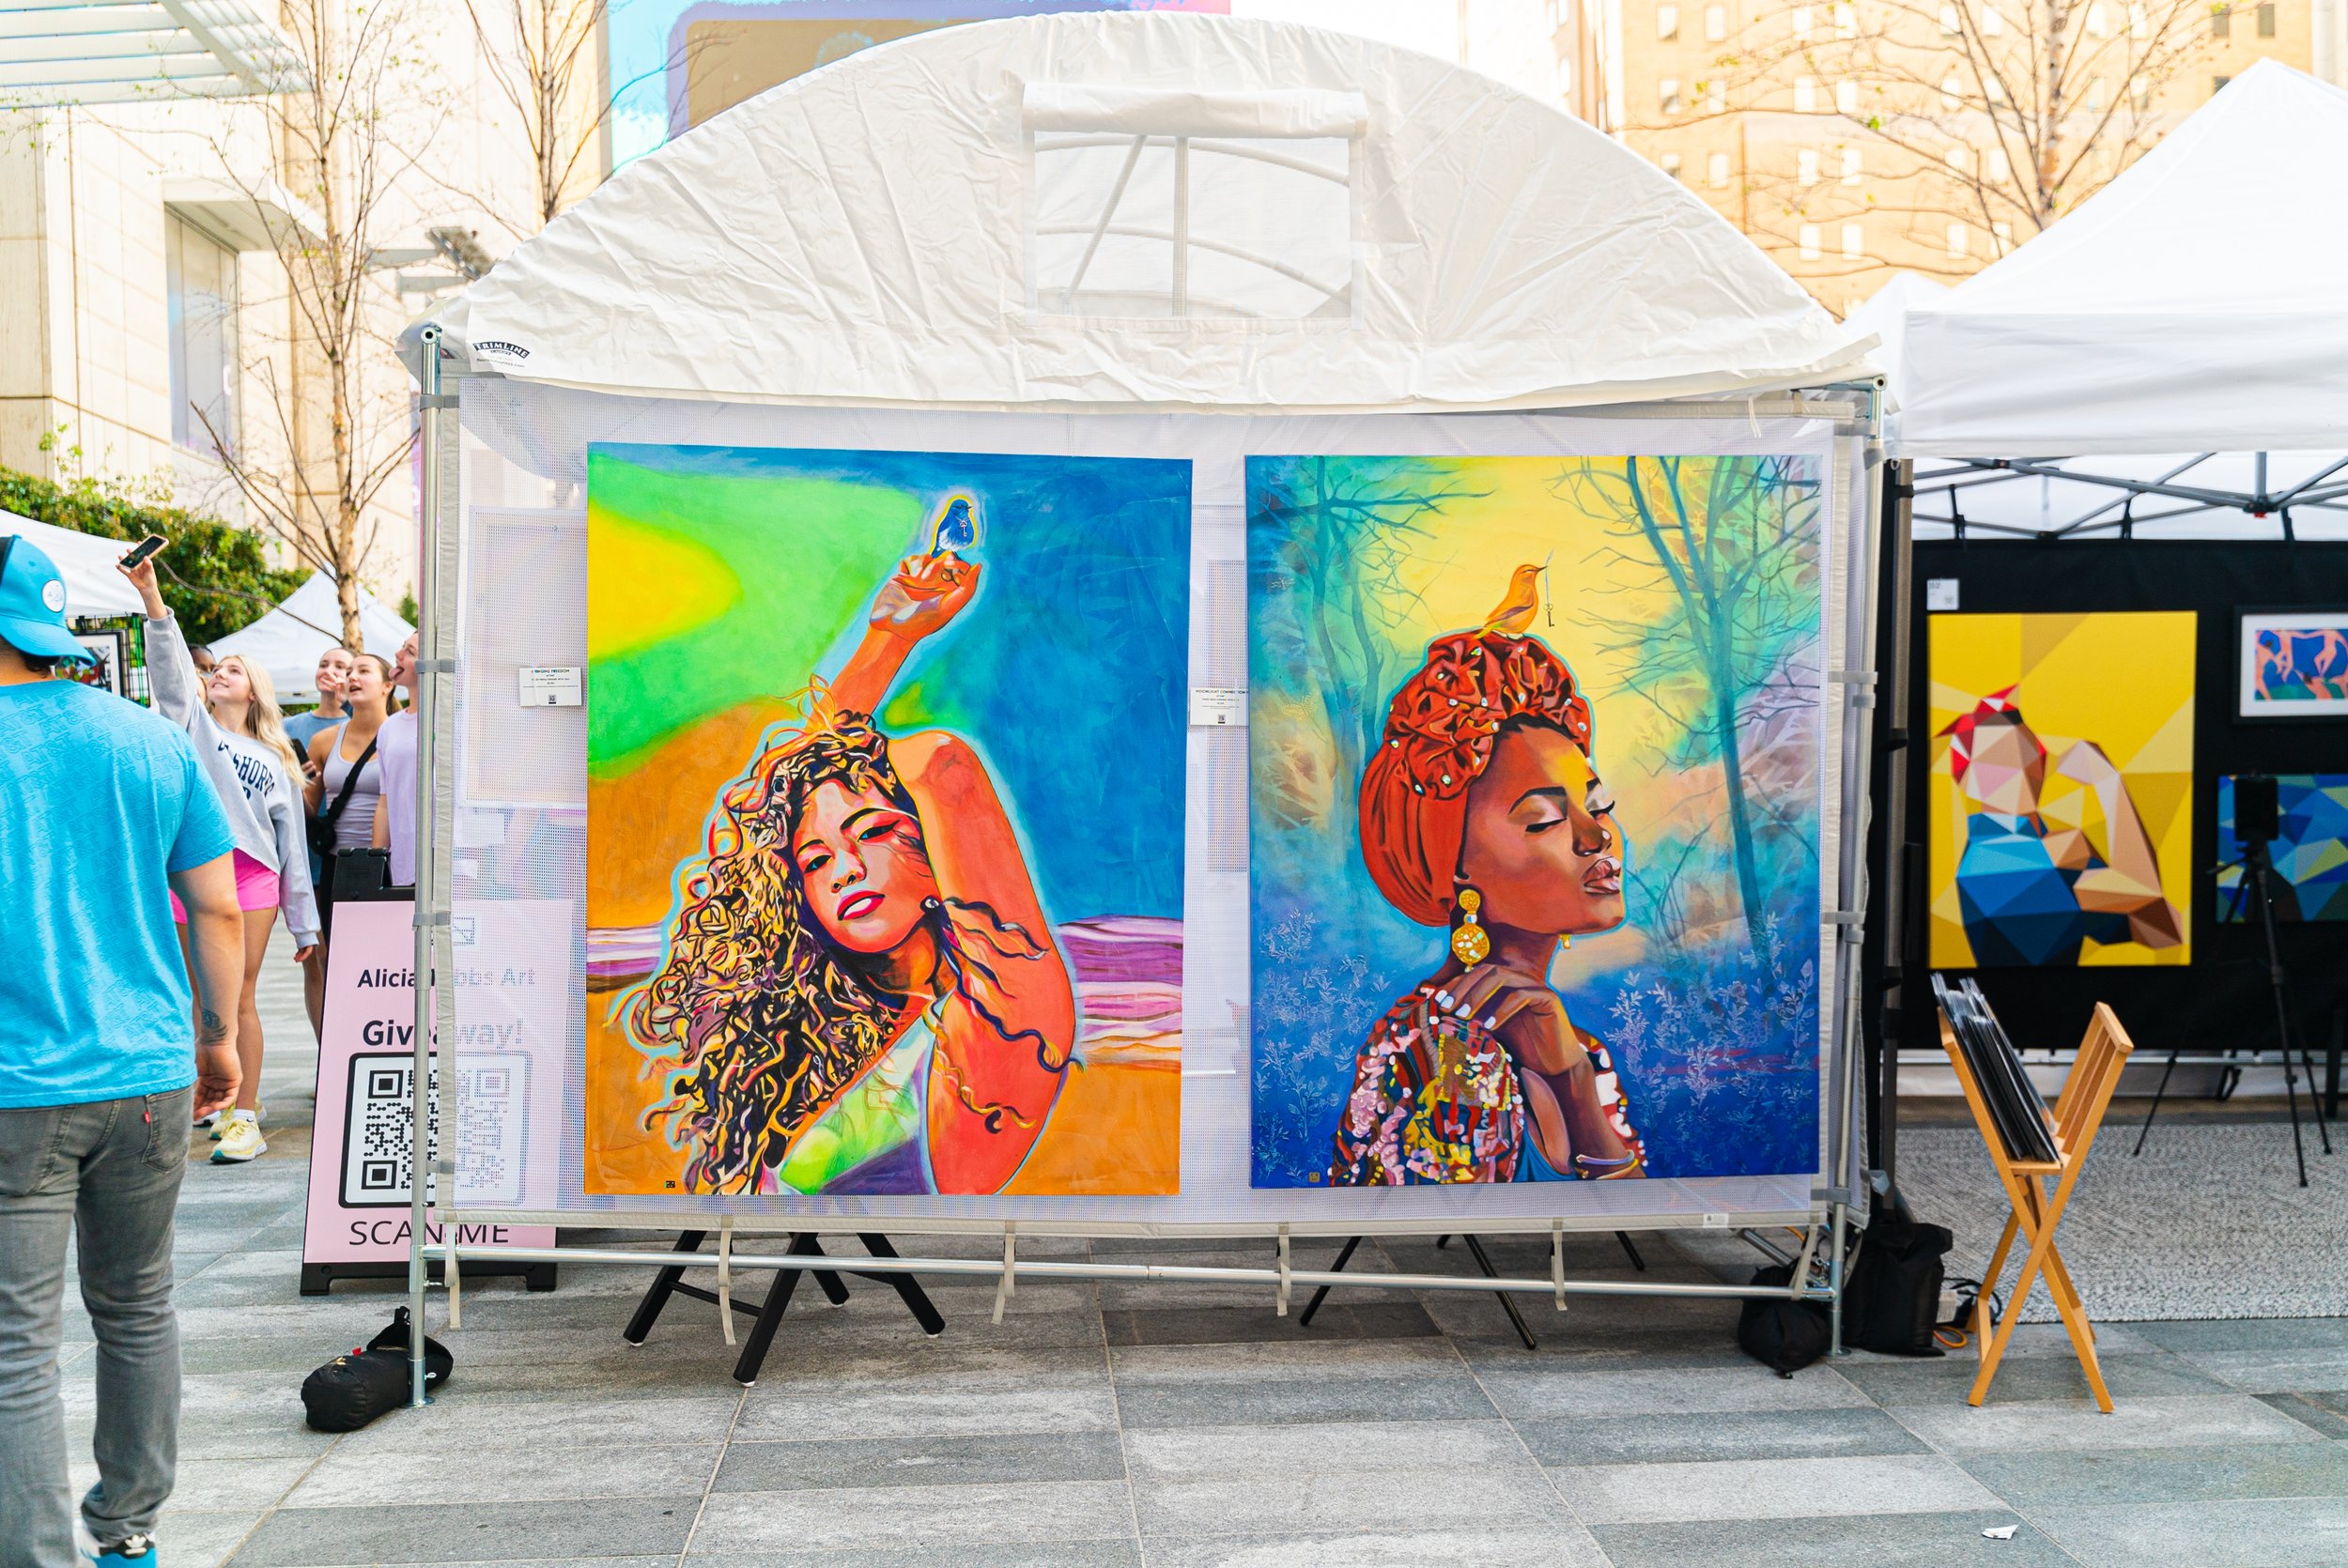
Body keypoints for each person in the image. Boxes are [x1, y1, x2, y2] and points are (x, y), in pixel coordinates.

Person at [621, 546, 1076, 1196]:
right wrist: (889, 635)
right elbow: (778, 795)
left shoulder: (1004, 1017)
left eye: (874, 833)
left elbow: (940, 765)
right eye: (814, 860)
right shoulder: (821, 1040)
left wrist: (887, 651)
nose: (845, 869)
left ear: (937, 862)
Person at [0, 533, 245, 1568]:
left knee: (17, 1346)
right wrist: (218, 1036)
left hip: (17, 1084)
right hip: (149, 1072)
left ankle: (35, 1553)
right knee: (139, 1305)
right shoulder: (148, 738)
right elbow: (218, 907)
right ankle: (130, 1529)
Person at [1329, 564, 1646, 1186]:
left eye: (1599, 804)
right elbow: (1456, 1231)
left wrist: (1572, 1077)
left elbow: (1637, 1217)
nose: (1597, 836)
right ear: (1456, 868)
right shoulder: (1450, 1049)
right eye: (1544, 819)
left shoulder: (1570, 1045)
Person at [122, 553, 319, 1164]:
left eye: (234, 669)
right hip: (191, 875)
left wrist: (305, 924)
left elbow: (292, 848)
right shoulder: (192, 728)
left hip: (254, 877)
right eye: (218, 669)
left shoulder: (277, 755)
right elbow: (173, 676)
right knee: (197, 996)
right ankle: (213, 1099)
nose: (221, 674)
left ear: (255, 689)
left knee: (239, 996)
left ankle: (244, 1117)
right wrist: (154, 601)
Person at [1939, 684, 2184, 965]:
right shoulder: (2014, 857)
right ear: (1965, 779)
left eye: (2026, 750)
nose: (2019, 767)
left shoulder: (2058, 847)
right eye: (1998, 758)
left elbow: (2162, 931)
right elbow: (2149, 900)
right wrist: (2108, 783)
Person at [299, 653, 389, 1033]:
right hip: (337, 865)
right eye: (349, 671)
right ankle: (337, 1049)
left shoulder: (402, 735)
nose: (352, 677)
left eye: (363, 671)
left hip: (387, 863)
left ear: (388, 685)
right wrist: (296, 782)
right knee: (335, 960)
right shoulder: (324, 741)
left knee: (383, 964)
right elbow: (310, 808)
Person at [372, 631, 418, 889]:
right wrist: (375, 864)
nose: (397, 655)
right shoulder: (389, 727)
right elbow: (385, 801)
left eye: (410, 652)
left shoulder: (456, 722)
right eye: (402, 647)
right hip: (403, 864)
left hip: (453, 865)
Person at [280, 644, 354, 758]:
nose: (327, 671)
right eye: (323, 665)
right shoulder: (286, 725)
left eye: (340, 667)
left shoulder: (362, 726)